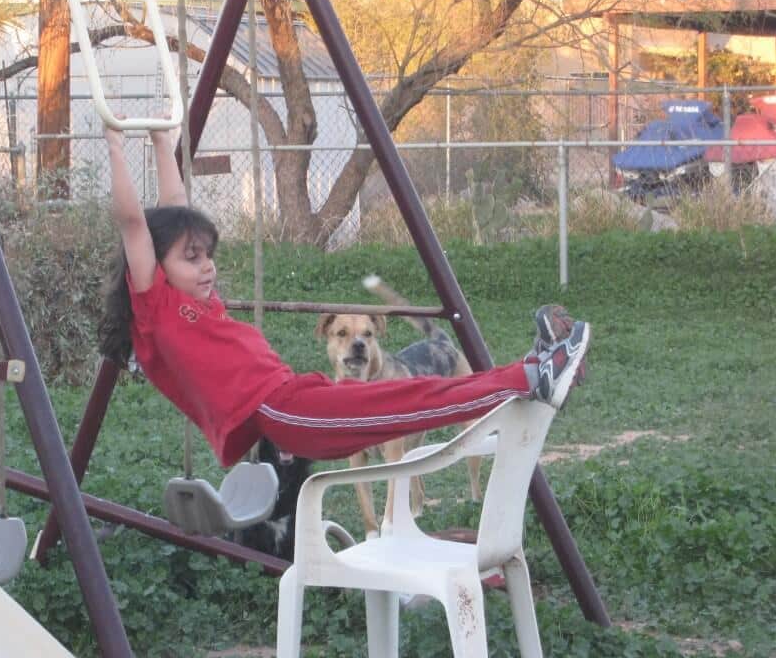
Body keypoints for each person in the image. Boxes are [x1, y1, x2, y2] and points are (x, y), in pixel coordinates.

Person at [98, 125, 590, 468]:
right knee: (406, 404)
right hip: (280, 412)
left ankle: (531, 371)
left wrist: (163, 142)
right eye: (193, 258)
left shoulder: (199, 303)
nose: (207, 266)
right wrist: (115, 148)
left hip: (294, 395)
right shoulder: (158, 310)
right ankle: (531, 376)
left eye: (208, 255)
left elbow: (173, 210)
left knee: (409, 392)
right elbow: (136, 224)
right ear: (155, 270)